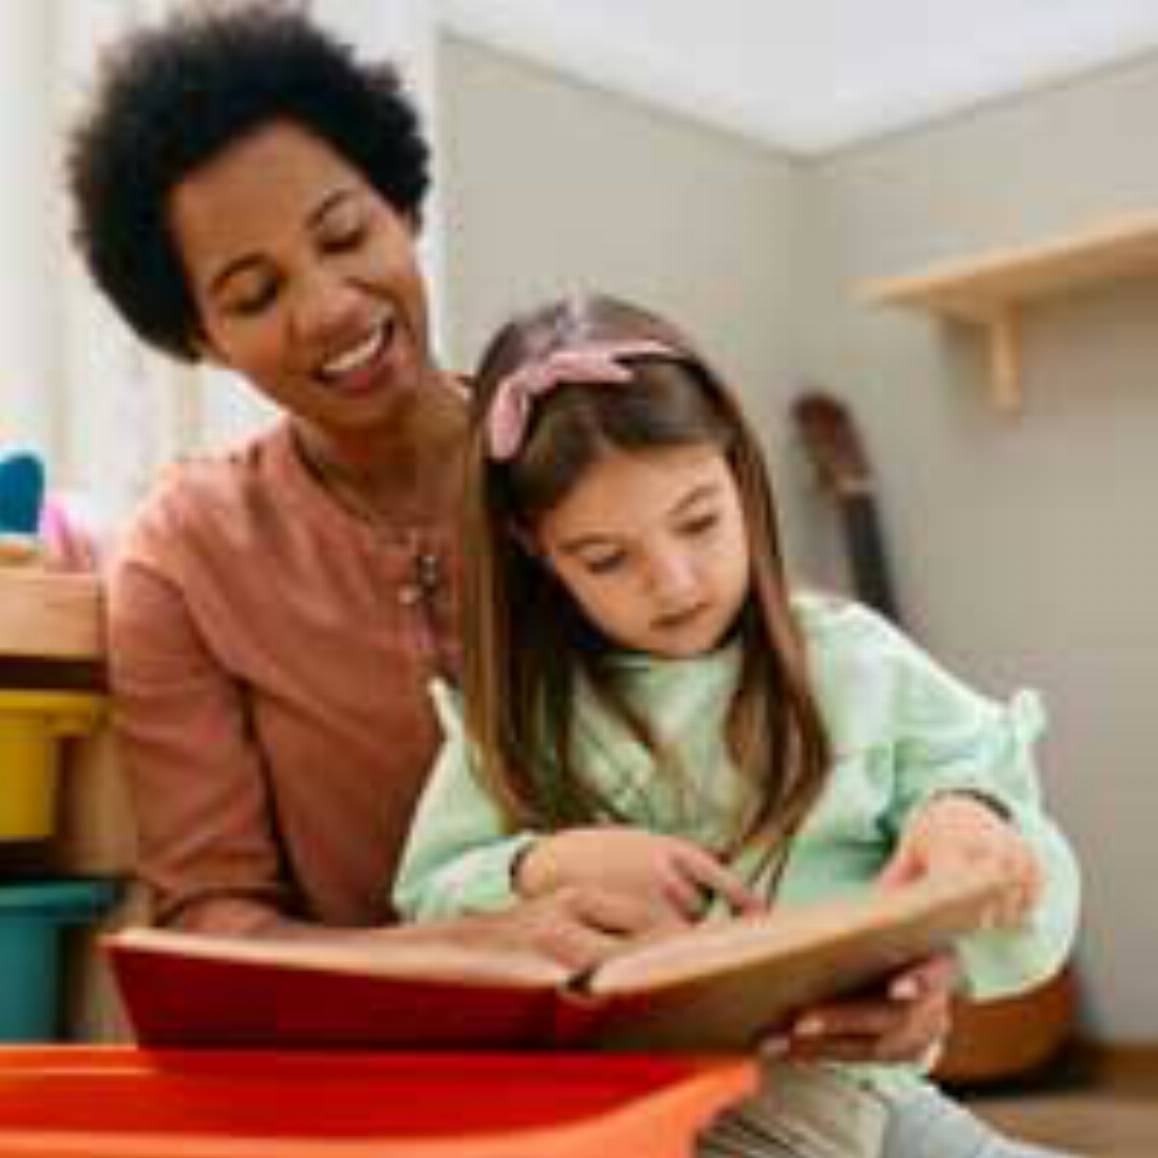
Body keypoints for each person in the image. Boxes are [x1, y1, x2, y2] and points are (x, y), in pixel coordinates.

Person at [66, 0, 964, 1071]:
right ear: (197, 336)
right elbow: (211, 931)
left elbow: (822, 734)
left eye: (347, 234)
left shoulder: (576, 448)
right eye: (253, 294)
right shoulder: (187, 550)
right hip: (392, 1088)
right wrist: (476, 945)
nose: (326, 307)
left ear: (402, 208)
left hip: (721, 1064)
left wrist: (896, 963)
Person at [393, 293, 1081, 1157]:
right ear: (537, 551)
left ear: (739, 474)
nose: (676, 582)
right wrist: (540, 865)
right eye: (607, 558)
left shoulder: (855, 663)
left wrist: (970, 817)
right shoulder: (522, 721)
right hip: (631, 1105)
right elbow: (429, 903)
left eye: (700, 522)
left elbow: (1006, 830)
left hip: (860, 1091)